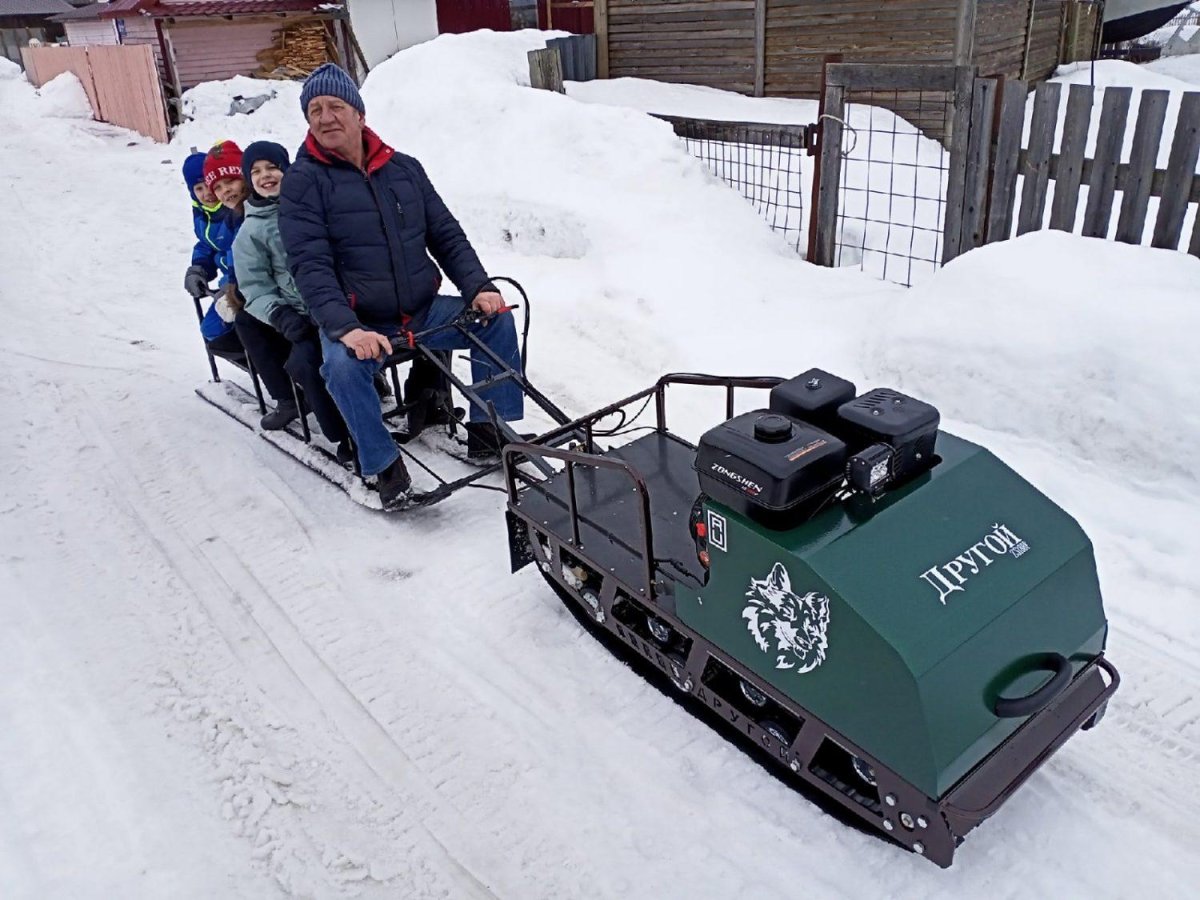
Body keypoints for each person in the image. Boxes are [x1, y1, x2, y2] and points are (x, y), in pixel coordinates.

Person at [279, 63, 524, 510]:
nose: (325, 117)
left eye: (335, 106)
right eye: (315, 110)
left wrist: (478, 287)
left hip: (422, 309)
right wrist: (347, 329)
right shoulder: (303, 183)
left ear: (359, 114)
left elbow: (446, 235)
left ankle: (490, 430)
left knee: (496, 321)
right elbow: (310, 266)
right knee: (342, 367)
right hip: (360, 321)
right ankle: (382, 464)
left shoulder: (404, 170)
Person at [232, 140, 351, 460]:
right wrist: (281, 315)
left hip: (340, 303)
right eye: (256, 171)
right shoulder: (251, 232)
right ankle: (343, 436)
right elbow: (254, 287)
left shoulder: (313, 208)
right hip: (301, 313)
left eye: (273, 167)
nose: (266, 175)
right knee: (306, 362)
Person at [201, 140, 300, 431]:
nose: (226, 191)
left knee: (247, 323)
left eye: (231, 181)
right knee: (218, 335)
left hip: (286, 293)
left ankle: (287, 396)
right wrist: (203, 269)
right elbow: (223, 251)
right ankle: (288, 381)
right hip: (260, 291)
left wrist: (237, 289)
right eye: (218, 187)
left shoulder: (258, 211)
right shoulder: (233, 216)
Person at [181, 151, 240, 353]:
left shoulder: (232, 208)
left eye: (209, 184)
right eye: (199, 188)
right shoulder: (202, 213)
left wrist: (230, 283)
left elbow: (237, 248)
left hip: (240, 279)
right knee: (212, 331)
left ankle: (265, 361)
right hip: (228, 281)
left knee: (230, 331)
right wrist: (199, 268)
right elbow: (206, 244)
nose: (207, 193)